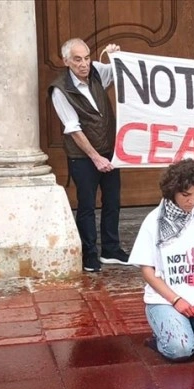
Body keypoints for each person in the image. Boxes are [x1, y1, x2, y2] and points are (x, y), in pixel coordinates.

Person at [128, 159, 194, 361]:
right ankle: (164, 337)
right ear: (173, 191)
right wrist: (175, 300)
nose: (191, 201)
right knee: (180, 350)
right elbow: (147, 271)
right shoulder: (154, 221)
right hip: (165, 299)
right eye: (185, 195)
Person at [49, 38, 130, 272]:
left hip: (108, 151)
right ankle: (89, 254)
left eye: (86, 58)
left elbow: (120, 71)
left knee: (112, 201)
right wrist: (96, 158)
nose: (84, 64)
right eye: (77, 59)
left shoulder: (97, 72)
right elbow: (73, 129)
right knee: (86, 205)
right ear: (66, 61)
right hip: (83, 158)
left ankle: (111, 250)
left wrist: (116, 55)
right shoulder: (60, 90)